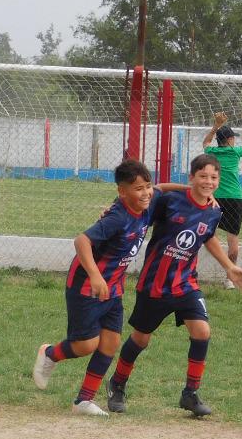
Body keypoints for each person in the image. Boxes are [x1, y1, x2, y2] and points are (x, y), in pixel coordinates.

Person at [104, 154, 242, 417]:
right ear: (191, 177)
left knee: (202, 332)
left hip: (185, 283)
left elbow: (208, 237)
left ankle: (190, 394)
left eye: (214, 177)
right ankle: (117, 384)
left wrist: (229, 266)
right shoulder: (170, 202)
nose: (209, 181)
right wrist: (113, 208)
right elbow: (146, 195)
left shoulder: (215, 211)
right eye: (202, 176)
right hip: (154, 285)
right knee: (141, 339)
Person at [32, 160, 158, 415]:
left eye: (148, 186)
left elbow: (163, 188)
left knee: (110, 343)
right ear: (122, 192)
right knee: (86, 345)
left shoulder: (146, 203)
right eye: (138, 188)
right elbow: (82, 241)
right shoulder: (117, 217)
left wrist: (199, 192)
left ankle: (83, 401)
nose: (145, 193)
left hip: (114, 287)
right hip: (87, 285)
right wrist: (95, 275)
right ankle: (50, 353)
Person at [203, 110, 242, 287]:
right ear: (230, 140)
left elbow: (206, 142)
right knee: (233, 238)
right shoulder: (235, 152)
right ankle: (229, 278)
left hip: (214, 198)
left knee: (208, 234)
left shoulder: (211, 152)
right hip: (234, 198)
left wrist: (215, 125)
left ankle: (194, 268)